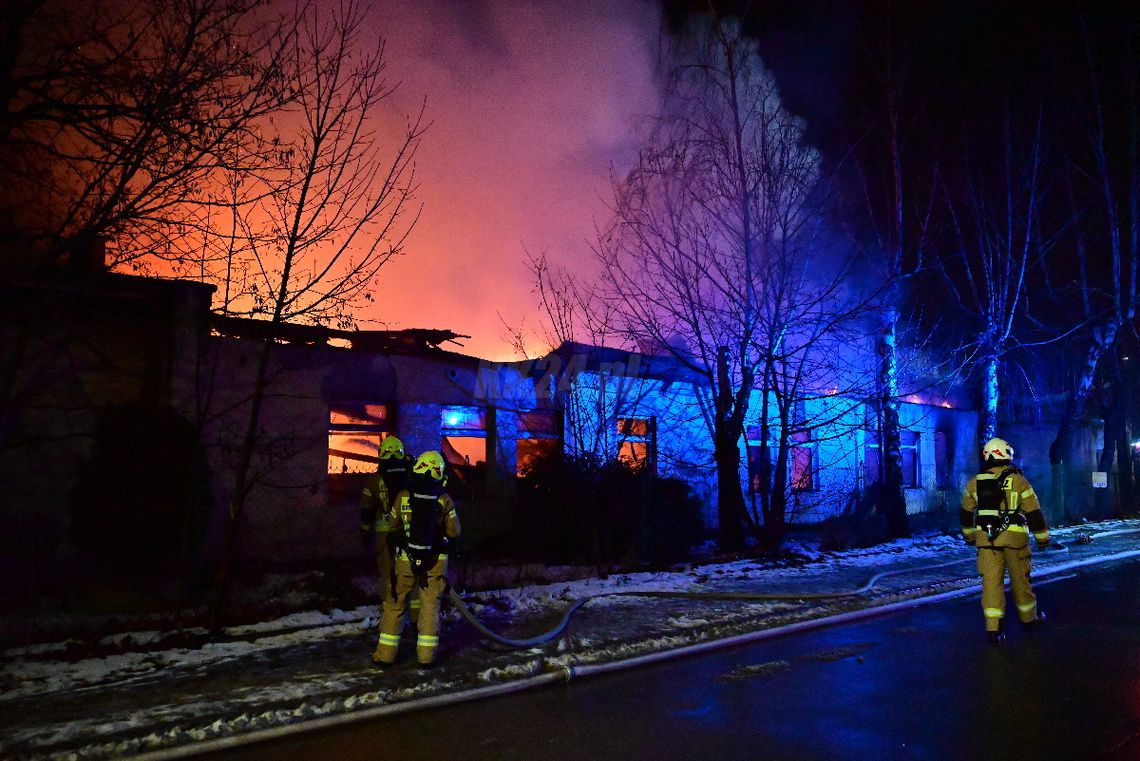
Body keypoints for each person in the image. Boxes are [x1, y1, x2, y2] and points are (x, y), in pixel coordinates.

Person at [960, 437, 1057, 643]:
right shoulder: (1019, 481)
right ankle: (1029, 619)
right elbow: (1034, 513)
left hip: (987, 542)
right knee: (1021, 581)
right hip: (1015, 541)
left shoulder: (974, 482)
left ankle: (993, 629)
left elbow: (966, 514)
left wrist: (969, 536)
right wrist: (1042, 538)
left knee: (991, 584)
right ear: (1006, 454)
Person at [372, 450, 461, 669]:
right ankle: (426, 657)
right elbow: (454, 532)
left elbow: (392, 527)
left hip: (405, 559)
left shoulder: (403, 495)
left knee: (396, 604)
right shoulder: (444, 499)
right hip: (435, 561)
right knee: (429, 606)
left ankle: (384, 656)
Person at [360, 436, 419, 629]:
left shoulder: (374, 481)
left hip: (385, 539)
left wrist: (365, 533)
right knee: (413, 575)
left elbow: (367, 511)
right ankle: (417, 618)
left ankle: (391, 619)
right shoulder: (412, 475)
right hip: (410, 535)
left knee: (388, 576)